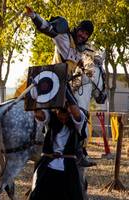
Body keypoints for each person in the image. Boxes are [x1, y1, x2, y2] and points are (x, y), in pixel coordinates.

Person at [23, 5, 96, 167]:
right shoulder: (64, 37)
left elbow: (77, 62)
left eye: (86, 34)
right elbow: (48, 29)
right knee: (76, 114)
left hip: (66, 83)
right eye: (82, 31)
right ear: (77, 29)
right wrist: (34, 16)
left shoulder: (80, 50)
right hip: (55, 80)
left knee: (78, 116)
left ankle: (78, 151)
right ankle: (38, 145)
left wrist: (82, 67)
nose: (83, 35)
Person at [28, 98, 86, 200]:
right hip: (49, 164)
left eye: (65, 118)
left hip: (68, 167)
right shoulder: (51, 117)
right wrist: (35, 100)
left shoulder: (77, 120)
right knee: (38, 194)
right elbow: (40, 114)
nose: (63, 120)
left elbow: (76, 113)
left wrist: (66, 92)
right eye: (60, 118)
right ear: (56, 112)